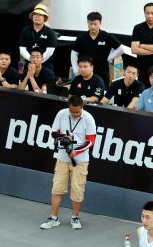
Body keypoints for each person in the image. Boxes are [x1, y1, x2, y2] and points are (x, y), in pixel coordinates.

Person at [41, 95, 96, 231]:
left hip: (81, 160)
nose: (74, 114)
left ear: (82, 107)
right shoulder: (62, 114)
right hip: (62, 158)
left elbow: (91, 140)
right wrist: (63, 137)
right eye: (72, 111)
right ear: (68, 107)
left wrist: (76, 151)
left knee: (77, 190)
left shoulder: (88, 118)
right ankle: (53, 218)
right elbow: (54, 133)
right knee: (57, 188)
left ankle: (75, 217)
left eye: (77, 112)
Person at [72, 11, 122, 83]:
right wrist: (76, 70)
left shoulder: (107, 36)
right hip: (85, 73)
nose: (93, 26)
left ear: (100, 23)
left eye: (95, 24)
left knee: (103, 89)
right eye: (90, 24)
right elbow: (74, 53)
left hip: (102, 73)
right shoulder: (81, 37)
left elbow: (120, 49)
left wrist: (109, 58)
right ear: (87, 23)